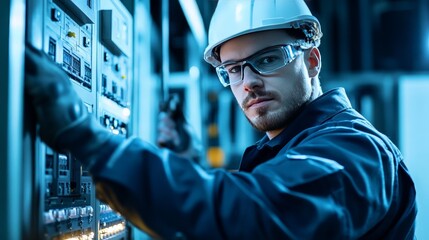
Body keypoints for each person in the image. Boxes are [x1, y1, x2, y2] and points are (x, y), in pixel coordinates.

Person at [25, 0, 417, 239]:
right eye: (233, 70)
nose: (248, 84)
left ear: (311, 61)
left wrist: (90, 141)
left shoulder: (355, 150)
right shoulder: (291, 147)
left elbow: (256, 217)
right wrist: (192, 162)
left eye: (267, 60)